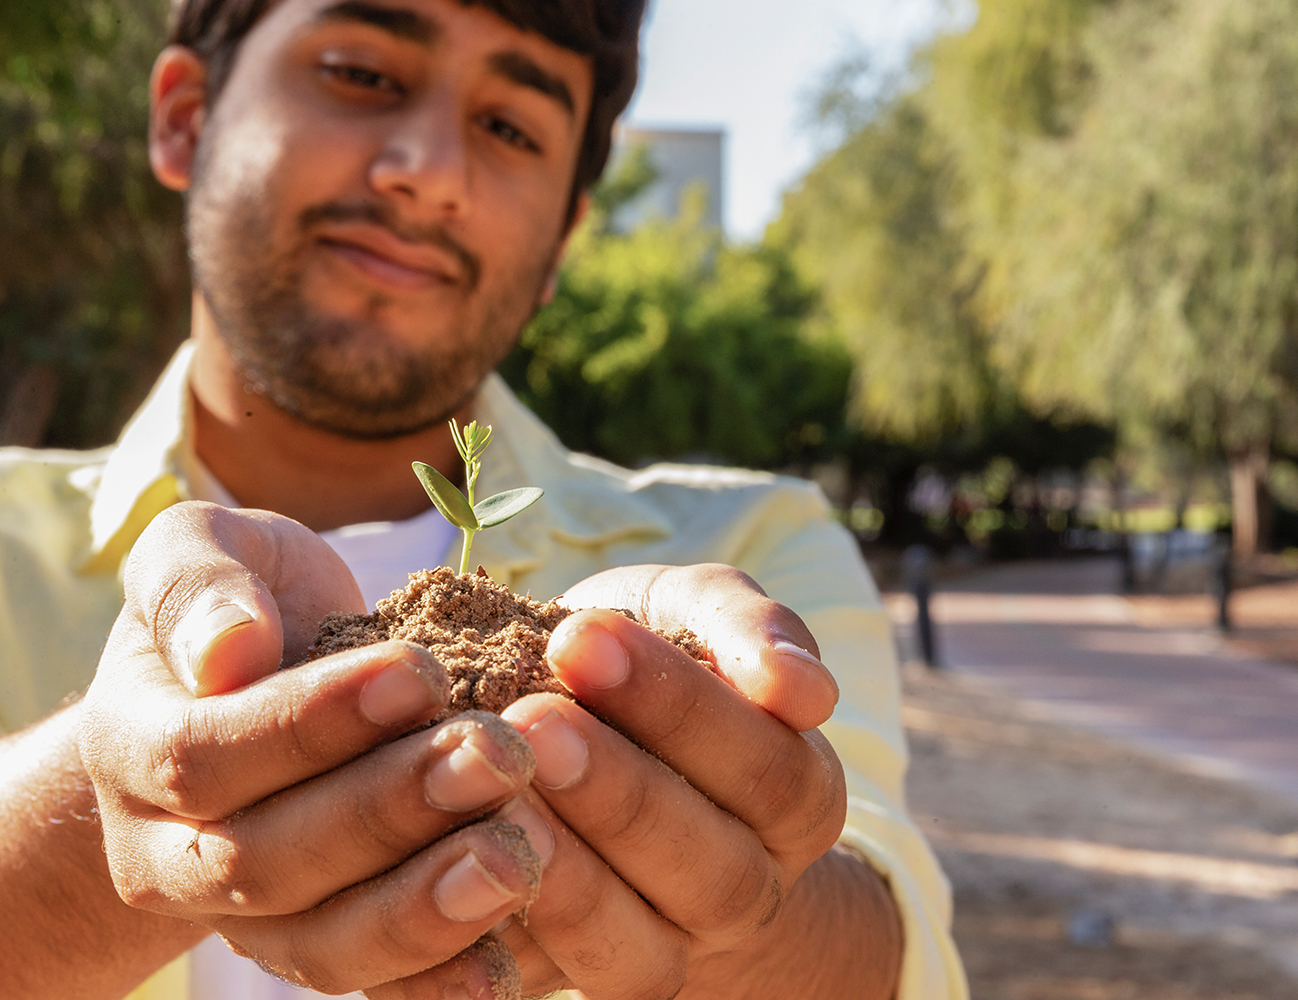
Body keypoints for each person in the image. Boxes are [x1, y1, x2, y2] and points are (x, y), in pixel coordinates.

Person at [0, 0, 967, 997]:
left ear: (562, 240)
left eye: (509, 128)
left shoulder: (758, 545)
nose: (429, 172)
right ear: (186, 117)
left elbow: (883, 930)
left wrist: (732, 905)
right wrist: (119, 792)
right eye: (362, 74)